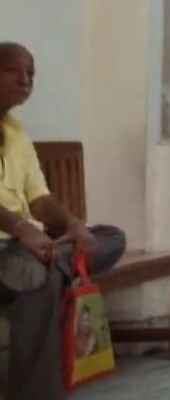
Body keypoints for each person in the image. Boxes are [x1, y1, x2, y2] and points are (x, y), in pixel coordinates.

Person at [0, 42, 126, 400]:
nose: (25, 80)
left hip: (30, 250)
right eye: (14, 70)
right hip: (10, 249)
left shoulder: (16, 134)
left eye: (31, 73)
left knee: (111, 237)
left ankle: (55, 261)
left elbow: (40, 199)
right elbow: (27, 221)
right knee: (37, 275)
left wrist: (73, 225)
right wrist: (23, 229)